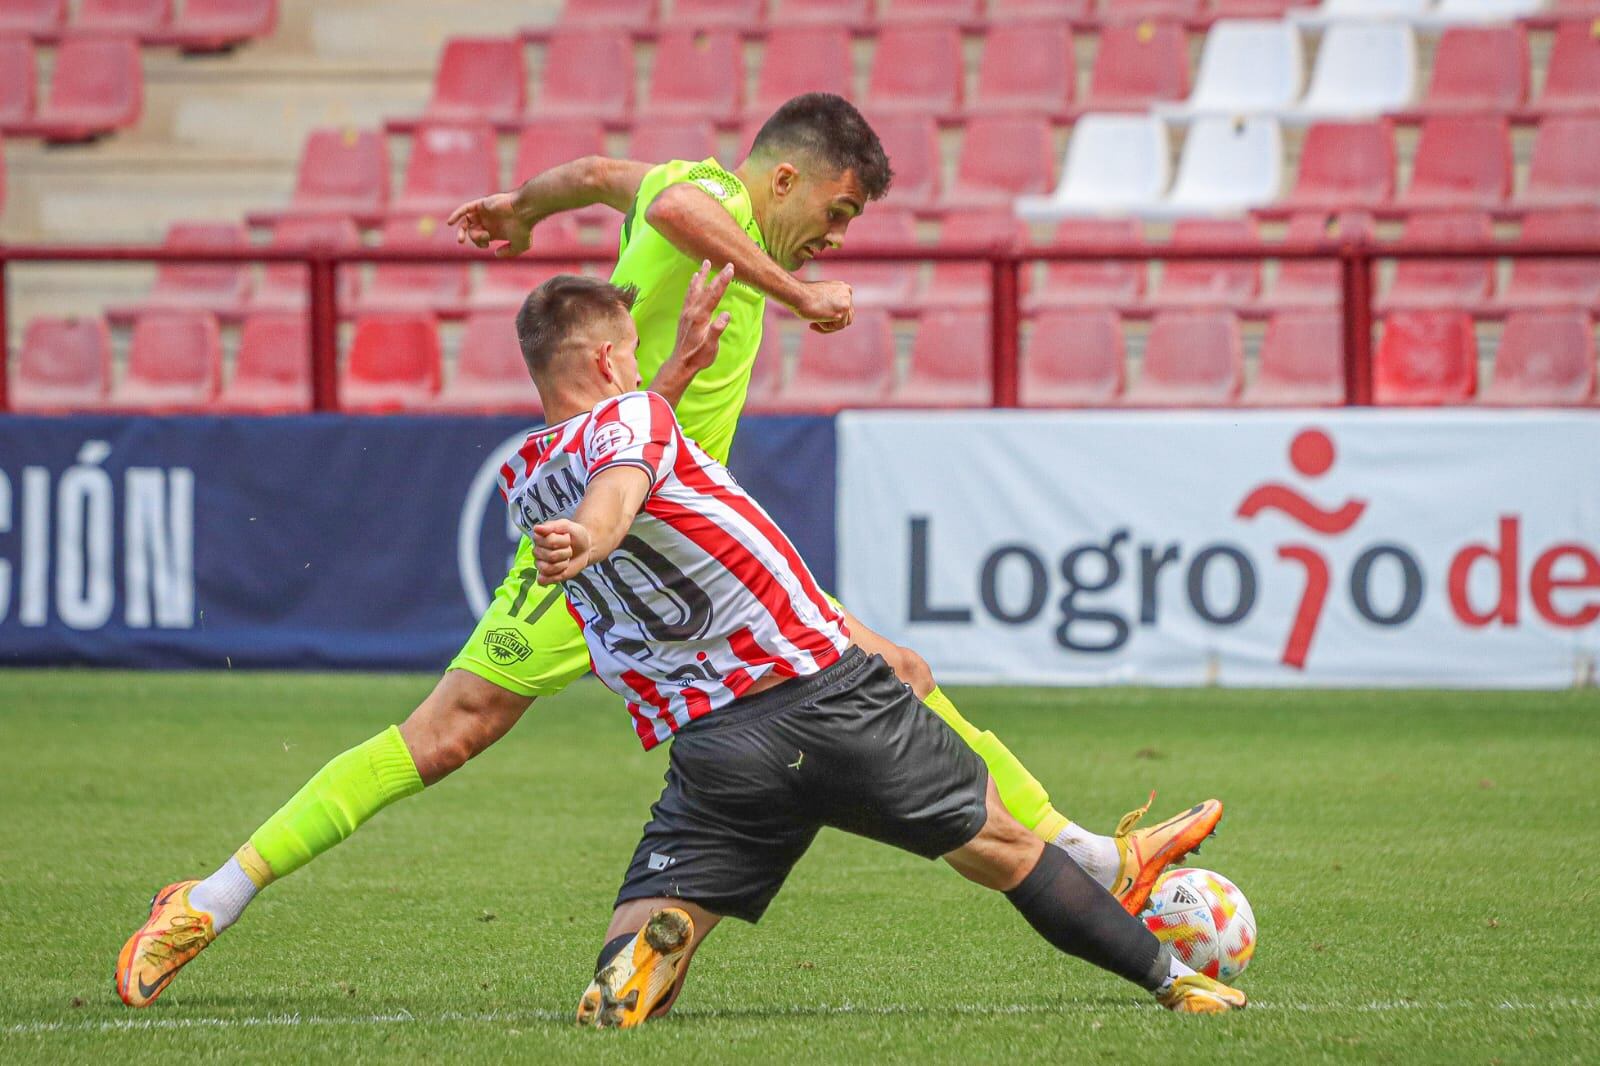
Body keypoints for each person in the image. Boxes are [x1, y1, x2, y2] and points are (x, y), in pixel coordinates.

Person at [116, 94, 1218, 1008]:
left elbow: (602, 169)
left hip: (690, 547)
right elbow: (683, 203)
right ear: (784, 183)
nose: (838, 238)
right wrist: (790, 289)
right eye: (836, 210)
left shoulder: (695, 210)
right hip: (612, 534)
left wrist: (522, 207)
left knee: (897, 670)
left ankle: (1089, 854)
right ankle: (207, 899)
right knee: (447, 733)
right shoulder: (722, 200)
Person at [501, 272, 1247, 1024]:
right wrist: (593, 534)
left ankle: (648, 953)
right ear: (604, 363)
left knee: (648, 947)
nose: (636, 370)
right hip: (827, 698)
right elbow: (618, 489)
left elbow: (618, 459)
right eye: (628, 355)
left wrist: (649, 421)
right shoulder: (632, 425)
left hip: (717, 749)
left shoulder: (529, 481)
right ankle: (1174, 979)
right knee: (1006, 849)